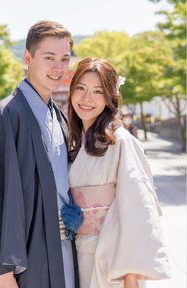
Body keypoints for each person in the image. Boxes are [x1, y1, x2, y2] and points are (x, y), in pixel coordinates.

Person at [0, 20, 79, 287]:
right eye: (49, 58)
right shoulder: (6, 115)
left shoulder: (59, 117)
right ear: (28, 58)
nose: (59, 68)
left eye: (65, 59)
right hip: (26, 258)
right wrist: (2, 271)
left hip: (64, 248)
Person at [67, 58, 170, 288]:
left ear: (110, 97)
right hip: (81, 252)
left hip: (113, 260)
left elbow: (138, 207)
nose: (87, 98)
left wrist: (131, 276)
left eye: (97, 91)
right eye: (81, 88)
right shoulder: (77, 143)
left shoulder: (121, 141)